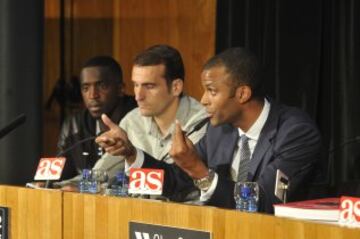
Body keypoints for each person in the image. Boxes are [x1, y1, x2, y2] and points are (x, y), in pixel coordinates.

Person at [96, 47, 321, 213]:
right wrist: (131, 154)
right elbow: (176, 182)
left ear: (242, 94)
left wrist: (199, 171)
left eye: (212, 91)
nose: (203, 100)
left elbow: (263, 203)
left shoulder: (295, 132)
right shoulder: (220, 131)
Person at [97, 44, 208, 200]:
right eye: (136, 85)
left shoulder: (201, 123)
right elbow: (101, 174)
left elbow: (180, 184)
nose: (138, 96)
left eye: (149, 86)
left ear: (176, 87)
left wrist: (132, 155)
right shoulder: (132, 120)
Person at [58, 56, 137, 182]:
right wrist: (48, 184)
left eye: (101, 86)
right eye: (85, 88)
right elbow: (61, 176)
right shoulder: (74, 125)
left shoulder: (139, 119)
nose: (92, 95)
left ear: (121, 89)